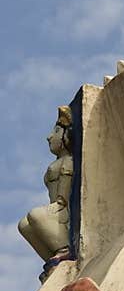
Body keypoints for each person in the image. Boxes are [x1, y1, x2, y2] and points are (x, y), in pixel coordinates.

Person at [19, 105, 74, 271]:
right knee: (24, 225)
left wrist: (56, 208)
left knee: (35, 215)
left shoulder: (68, 162)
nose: (49, 137)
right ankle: (52, 257)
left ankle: (64, 249)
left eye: (56, 131)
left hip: (63, 207)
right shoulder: (57, 164)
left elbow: (62, 199)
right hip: (55, 208)